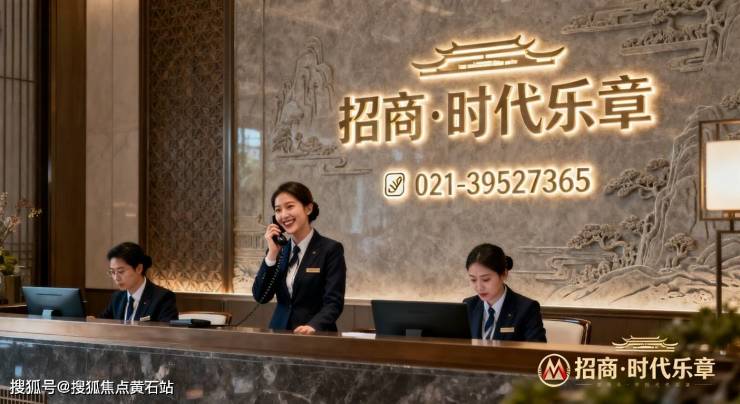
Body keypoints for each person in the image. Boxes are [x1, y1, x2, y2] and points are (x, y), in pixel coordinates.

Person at [252, 181, 346, 334]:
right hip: (279, 335)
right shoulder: (278, 251)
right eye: (278, 210)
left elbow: (333, 302)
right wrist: (272, 254)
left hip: (314, 335)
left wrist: (314, 326)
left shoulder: (330, 250)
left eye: (289, 207)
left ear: (308, 208)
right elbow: (261, 296)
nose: (283, 215)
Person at [463, 243, 546, 342]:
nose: (479, 287)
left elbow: (537, 349)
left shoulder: (526, 309)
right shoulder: (468, 306)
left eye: (486, 279)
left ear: (504, 274)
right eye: (473, 280)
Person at [99, 242, 179, 322]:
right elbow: (103, 322)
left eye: (121, 271)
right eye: (112, 272)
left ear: (139, 269)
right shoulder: (117, 297)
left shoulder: (162, 298)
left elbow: (166, 328)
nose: (116, 278)